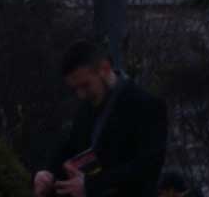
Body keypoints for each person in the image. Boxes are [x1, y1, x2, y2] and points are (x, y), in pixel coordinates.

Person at [35, 43, 170, 197]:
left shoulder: (147, 105)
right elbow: (71, 145)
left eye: (85, 86)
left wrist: (90, 186)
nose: (81, 95)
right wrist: (47, 173)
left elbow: (147, 167)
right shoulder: (88, 108)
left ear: (105, 68)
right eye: (75, 89)